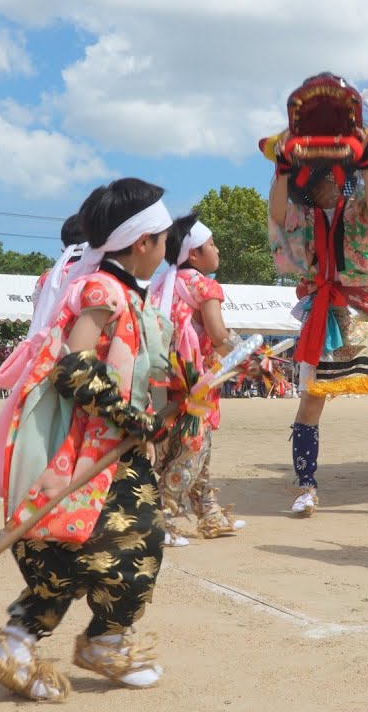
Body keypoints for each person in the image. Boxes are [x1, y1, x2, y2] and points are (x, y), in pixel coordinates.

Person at [0, 178, 173, 701]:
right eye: (163, 239)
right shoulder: (103, 291)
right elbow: (75, 367)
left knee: (113, 546)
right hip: (85, 451)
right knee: (98, 544)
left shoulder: (131, 294)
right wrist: (131, 417)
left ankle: (62, 639)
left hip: (114, 448)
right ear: (143, 242)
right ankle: (77, 640)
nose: (166, 249)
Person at [267, 119, 368, 519]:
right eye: (320, 178)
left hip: (360, 311)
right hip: (322, 311)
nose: (329, 184)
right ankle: (306, 487)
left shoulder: (356, 212)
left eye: (333, 177)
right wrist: (281, 171)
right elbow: (277, 216)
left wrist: (367, 165)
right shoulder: (303, 217)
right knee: (311, 401)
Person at [149, 212, 247, 546]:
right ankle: (160, 519)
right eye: (212, 244)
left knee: (183, 447)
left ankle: (209, 513)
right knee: (193, 448)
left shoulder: (162, 285)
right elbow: (218, 335)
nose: (217, 250)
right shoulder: (205, 286)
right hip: (195, 383)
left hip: (166, 381)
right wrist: (250, 355)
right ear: (194, 254)